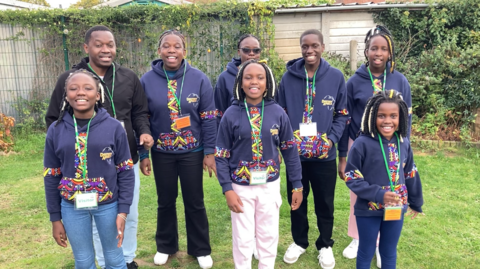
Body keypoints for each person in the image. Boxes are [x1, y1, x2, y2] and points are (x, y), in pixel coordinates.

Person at [45, 25, 153, 269]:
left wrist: (144, 139)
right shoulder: (69, 79)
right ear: (86, 47)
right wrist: (69, 153)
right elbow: (54, 119)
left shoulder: (128, 77)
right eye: (99, 45)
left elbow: (140, 113)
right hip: (84, 165)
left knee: (126, 212)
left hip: (125, 159)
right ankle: (103, 262)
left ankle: (125, 260)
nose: (106, 49)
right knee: (90, 214)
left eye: (110, 45)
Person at [139, 30, 216, 269]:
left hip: (192, 152)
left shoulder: (199, 78)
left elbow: (209, 117)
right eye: (166, 46)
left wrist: (210, 152)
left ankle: (200, 249)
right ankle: (165, 246)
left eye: (177, 46)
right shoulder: (146, 80)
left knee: (195, 200)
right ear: (159, 50)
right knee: (165, 200)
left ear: (185, 50)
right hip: (162, 153)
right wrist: (144, 154)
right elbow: (142, 117)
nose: (171, 50)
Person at [337, 25, 413, 268]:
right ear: (366, 51)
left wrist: (404, 147)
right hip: (361, 145)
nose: (378, 53)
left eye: (383, 49)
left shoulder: (400, 80)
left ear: (390, 53)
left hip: (392, 147)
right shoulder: (354, 81)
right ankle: (360, 238)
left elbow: (407, 117)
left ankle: (382, 245)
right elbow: (345, 117)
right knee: (359, 194)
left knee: (391, 189)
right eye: (373, 48)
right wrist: (343, 153)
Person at [215, 60, 303, 269]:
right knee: (243, 238)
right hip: (240, 188)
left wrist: (297, 184)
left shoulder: (278, 113)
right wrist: (227, 189)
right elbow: (221, 154)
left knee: (268, 235)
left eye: (260, 77)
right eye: (248, 77)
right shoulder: (231, 113)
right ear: (240, 82)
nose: (254, 82)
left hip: (269, 186)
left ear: (268, 82)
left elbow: (290, 150)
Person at [43, 70, 135, 269]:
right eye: (73, 88)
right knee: (83, 261)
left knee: (114, 258)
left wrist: (123, 212)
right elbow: (51, 176)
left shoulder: (114, 127)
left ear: (98, 94)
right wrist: (55, 218)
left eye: (88, 88)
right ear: (66, 95)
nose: (80, 93)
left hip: (108, 206)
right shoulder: (56, 130)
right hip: (71, 207)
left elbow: (126, 171)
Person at [278, 29, 349, 269]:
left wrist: (330, 141)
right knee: (296, 200)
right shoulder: (287, 79)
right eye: (305, 46)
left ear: (323, 47)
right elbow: (281, 114)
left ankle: (325, 244)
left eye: (314, 45)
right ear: (300, 48)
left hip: (324, 156)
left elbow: (342, 115)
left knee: (325, 202)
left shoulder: (336, 77)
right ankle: (299, 241)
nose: (310, 50)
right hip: (295, 157)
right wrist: (286, 143)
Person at [344, 89, 423, 269]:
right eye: (381, 115)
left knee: (389, 251)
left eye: (393, 116)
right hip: (368, 210)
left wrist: (416, 202)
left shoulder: (403, 142)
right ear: (372, 116)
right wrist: (379, 194)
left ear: (401, 117)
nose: (388, 121)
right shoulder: (361, 144)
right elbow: (351, 177)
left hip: (396, 208)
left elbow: (411, 172)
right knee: (366, 250)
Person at [215, 34, 262, 121]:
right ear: (239, 52)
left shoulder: (267, 77)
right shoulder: (225, 78)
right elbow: (219, 112)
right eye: (246, 50)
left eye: (256, 50)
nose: (251, 53)